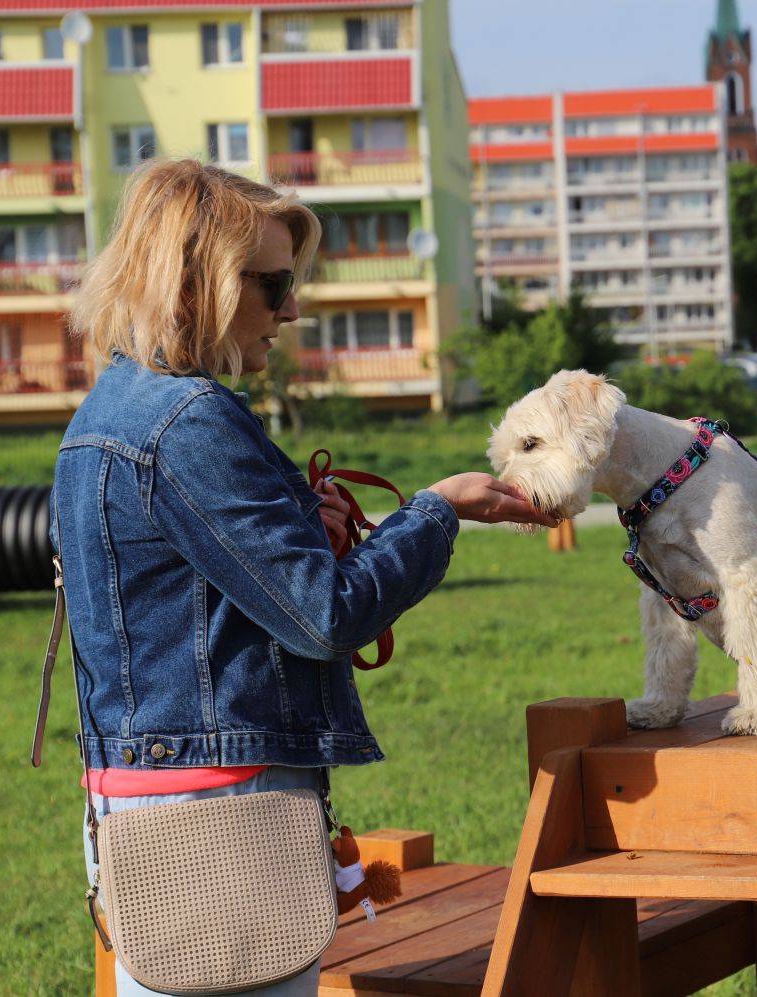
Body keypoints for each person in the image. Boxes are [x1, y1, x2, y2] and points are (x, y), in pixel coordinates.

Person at [52, 159, 556, 996]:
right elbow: (325, 614)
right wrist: (435, 511)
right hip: (223, 817)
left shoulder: (101, 416)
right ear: (196, 280)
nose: (293, 308)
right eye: (275, 283)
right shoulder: (189, 424)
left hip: (145, 805)